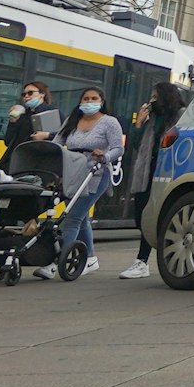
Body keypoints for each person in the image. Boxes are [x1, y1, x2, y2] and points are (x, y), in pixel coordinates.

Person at [33, 87, 125, 281]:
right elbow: (58, 143)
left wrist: (105, 156)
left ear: (101, 102)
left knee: (72, 218)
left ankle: (55, 261)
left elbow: (118, 148)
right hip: (72, 174)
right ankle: (90, 258)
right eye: (86, 98)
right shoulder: (72, 120)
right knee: (80, 218)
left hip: (96, 174)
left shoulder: (109, 122)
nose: (89, 102)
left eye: (94, 98)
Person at [119, 81, 185, 279]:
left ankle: (142, 261)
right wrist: (139, 123)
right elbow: (137, 144)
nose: (151, 101)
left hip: (168, 171)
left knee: (159, 215)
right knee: (141, 214)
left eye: (155, 97)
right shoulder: (153, 118)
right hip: (148, 170)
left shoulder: (181, 116)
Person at [0, 82, 58, 181]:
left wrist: (47, 135)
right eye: (24, 94)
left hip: (34, 161)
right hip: (15, 159)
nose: (26, 96)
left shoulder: (52, 112)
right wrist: (13, 122)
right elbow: (8, 141)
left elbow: (63, 135)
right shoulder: (23, 113)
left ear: (42, 94)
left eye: (30, 93)